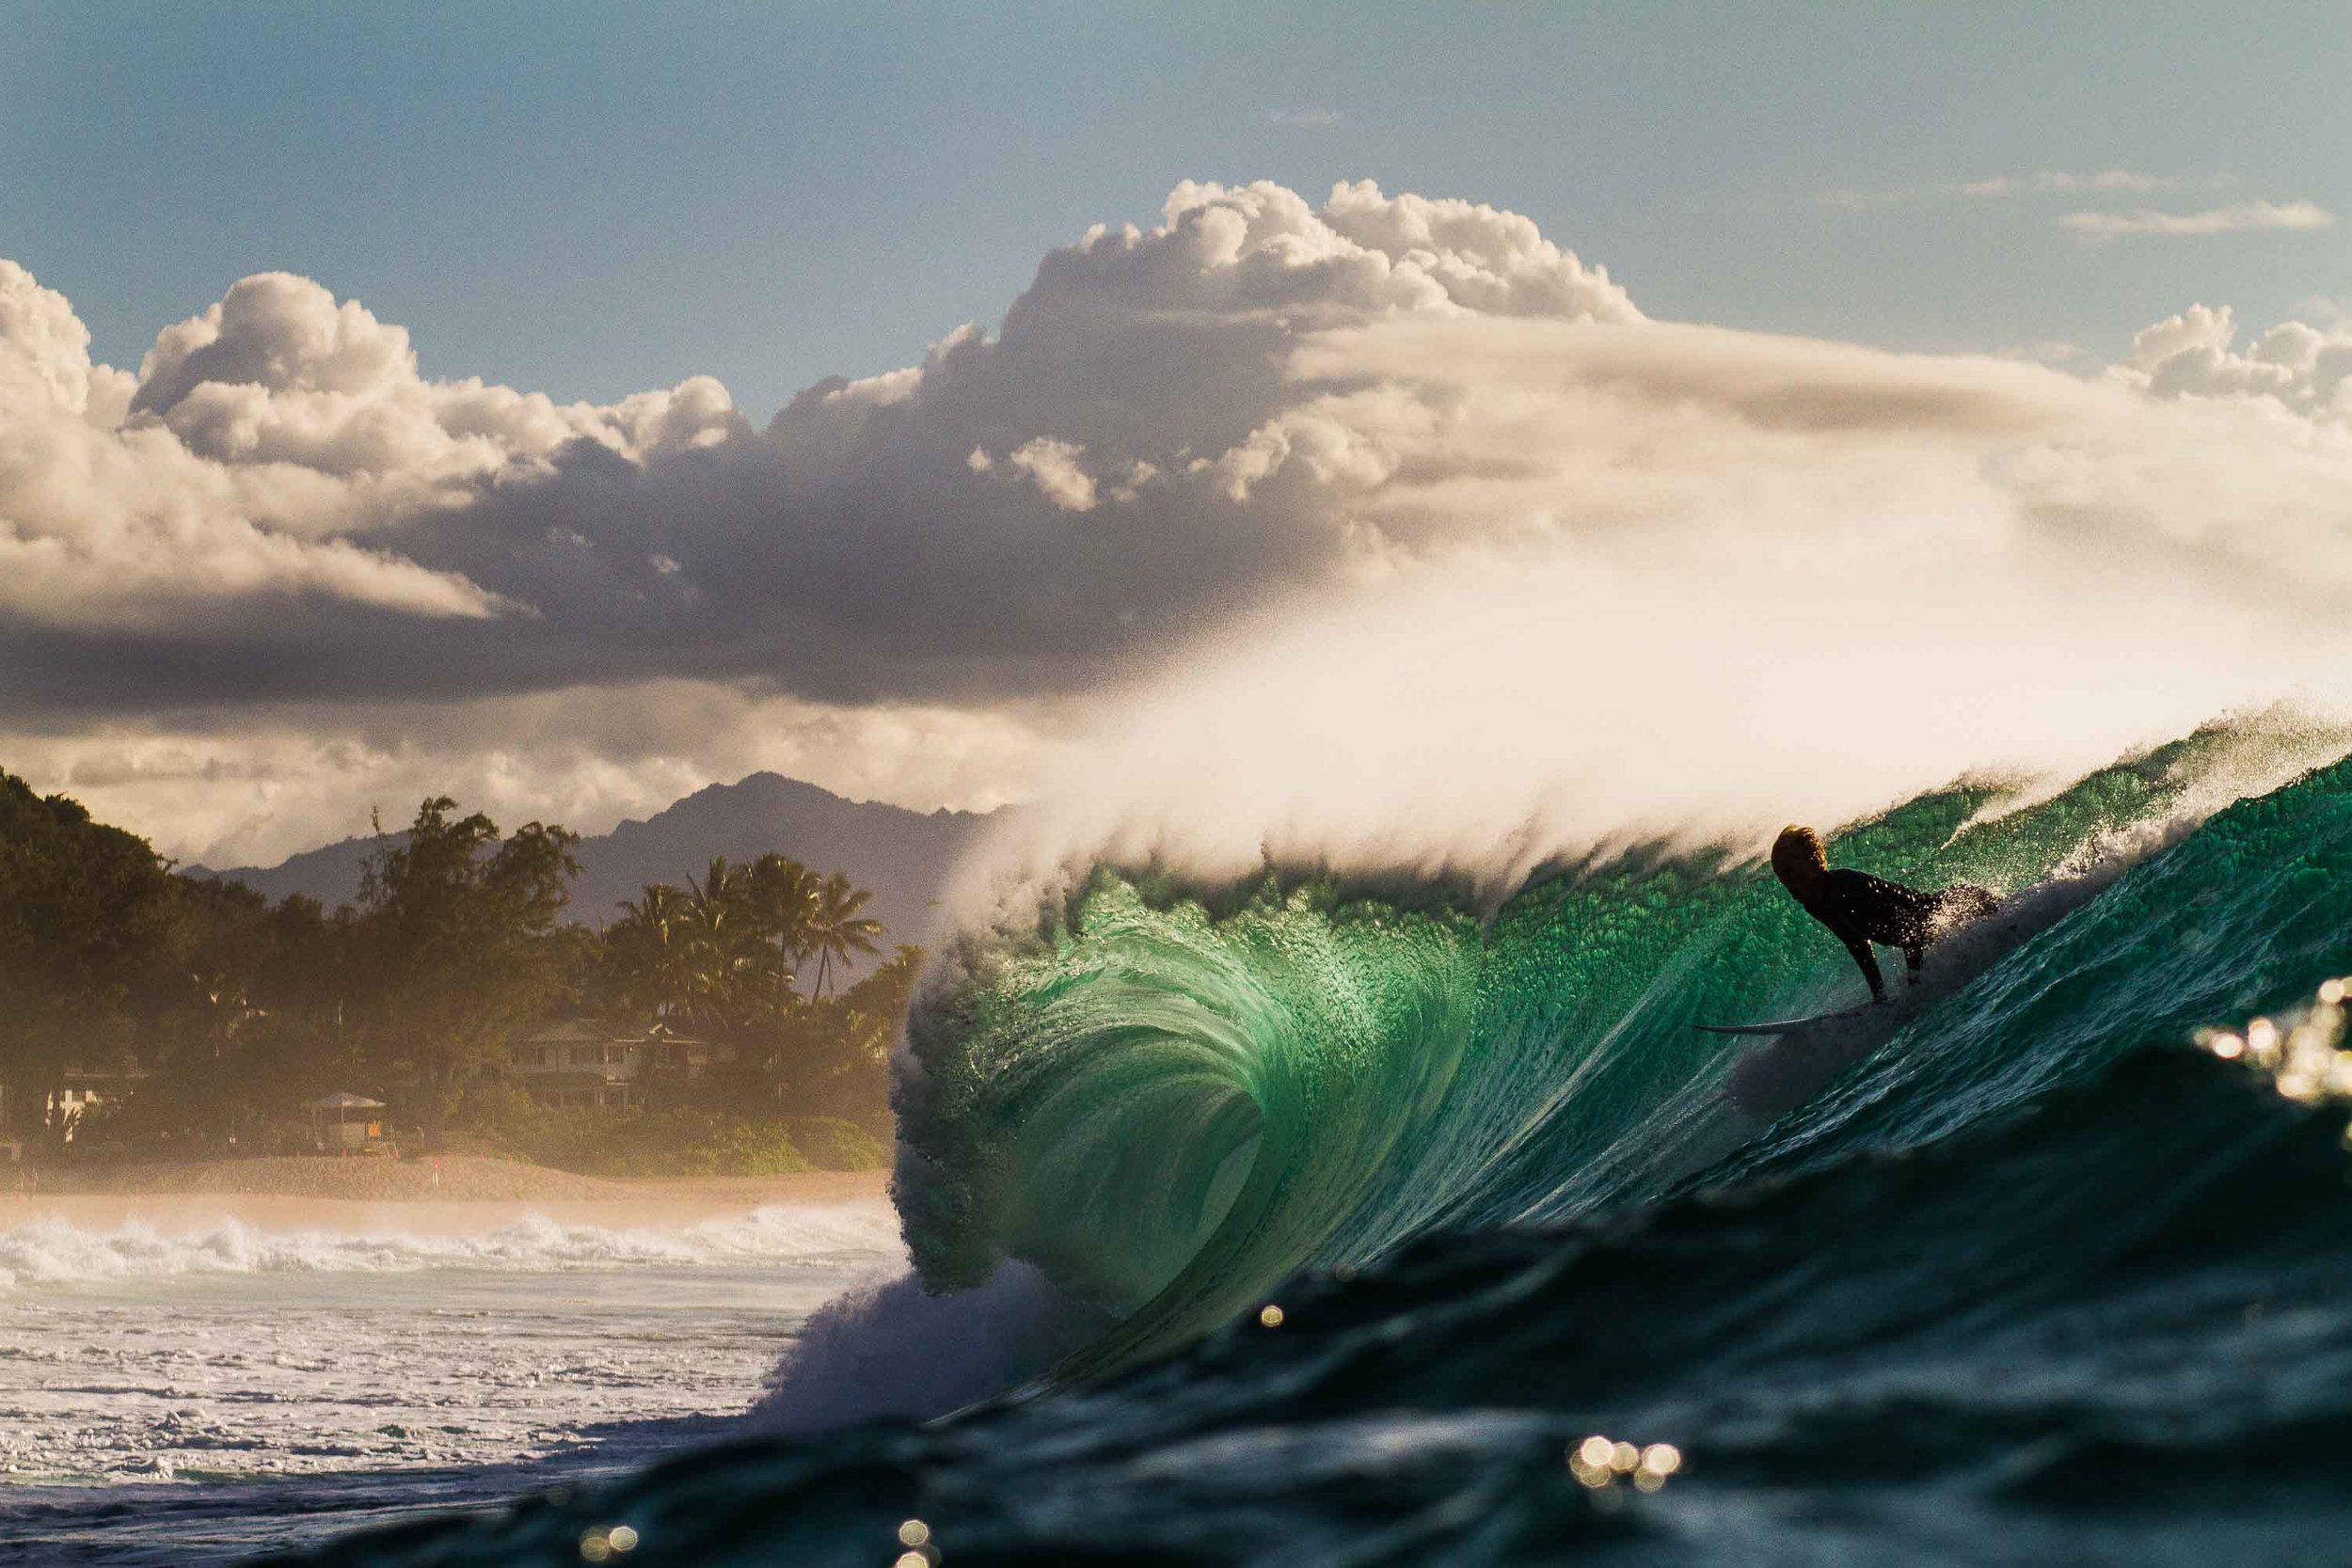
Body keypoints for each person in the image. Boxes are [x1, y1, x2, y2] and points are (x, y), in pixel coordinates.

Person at [1770, 825, 1997, 1005]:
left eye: (1791, 872)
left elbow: (1912, 931)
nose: (1788, 883)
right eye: (1782, 877)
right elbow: (1857, 945)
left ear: (1812, 862)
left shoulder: (1848, 887)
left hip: (1956, 905)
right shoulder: (1816, 904)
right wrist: (1880, 996)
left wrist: (1915, 983)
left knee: (2006, 919)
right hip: (1932, 928)